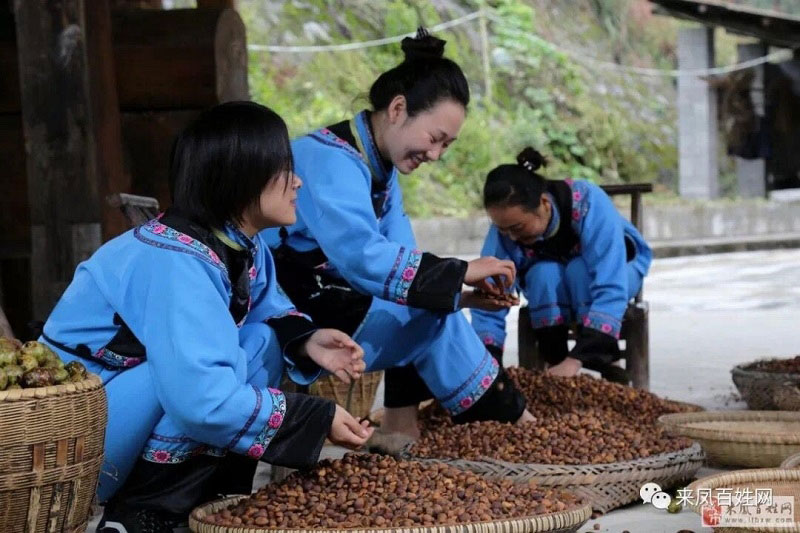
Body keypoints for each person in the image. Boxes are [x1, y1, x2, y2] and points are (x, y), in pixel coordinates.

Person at [39, 102, 371, 533]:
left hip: (120, 413)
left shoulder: (240, 245)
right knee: (200, 373)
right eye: (284, 169)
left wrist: (308, 341)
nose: (298, 181)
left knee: (259, 343)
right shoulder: (174, 261)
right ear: (242, 175)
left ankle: (214, 503)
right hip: (73, 442)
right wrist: (315, 418)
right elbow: (201, 399)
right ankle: (143, 516)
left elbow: (270, 310)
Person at [261, 29, 535, 443]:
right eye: (435, 138)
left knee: (427, 301)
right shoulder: (328, 159)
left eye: (447, 145)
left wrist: (460, 292)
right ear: (398, 109)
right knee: (427, 308)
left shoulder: (379, 169)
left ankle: (404, 428)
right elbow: (362, 258)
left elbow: (403, 261)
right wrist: (461, 270)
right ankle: (508, 426)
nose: (437, 154)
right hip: (281, 309)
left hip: (323, 298)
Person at [471, 147, 652, 379]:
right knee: (542, 274)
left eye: (517, 228)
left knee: (578, 272)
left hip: (618, 270)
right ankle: (554, 359)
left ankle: (604, 361)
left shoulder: (588, 202)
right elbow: (489, 295)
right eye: (502, 229)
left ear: (544, 204)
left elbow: (611, 283)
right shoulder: (506, 231)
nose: (512, 237)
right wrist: (489, 364)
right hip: (557, 279)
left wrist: (576, 360)